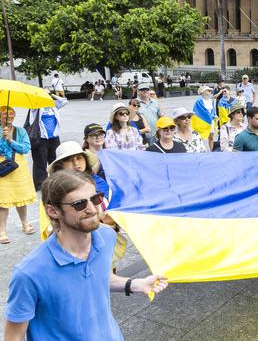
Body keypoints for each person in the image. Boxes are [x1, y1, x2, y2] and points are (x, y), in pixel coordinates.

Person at [4, 170, 168, 340]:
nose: (92, 209)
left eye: (95, 199)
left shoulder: (107, 236)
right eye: (79, 204)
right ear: (53, 211)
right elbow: (13, 337)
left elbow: (99, 277)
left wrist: (134, 284)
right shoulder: (29, 274)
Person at [0, 107, 36, 244]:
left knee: (21, 199)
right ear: (0, 115)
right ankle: (2, 231)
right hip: (2, 169)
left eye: (11, 113)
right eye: (5, 113)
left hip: (18, 167)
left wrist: (10, 140)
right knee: (2, 202)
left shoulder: (21, 131)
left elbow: (26, 148)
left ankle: (25, 223)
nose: (9, 116)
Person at [26, 92, 68, 191]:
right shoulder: (36, 106)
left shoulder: (53, 105)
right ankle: (40, 185)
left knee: (56, 161)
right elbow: (31, 102)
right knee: (40, 162)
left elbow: (64, 101)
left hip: (53, 137)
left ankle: (57, 181)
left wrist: (52, 94)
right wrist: (38, 94)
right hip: (41, 138)